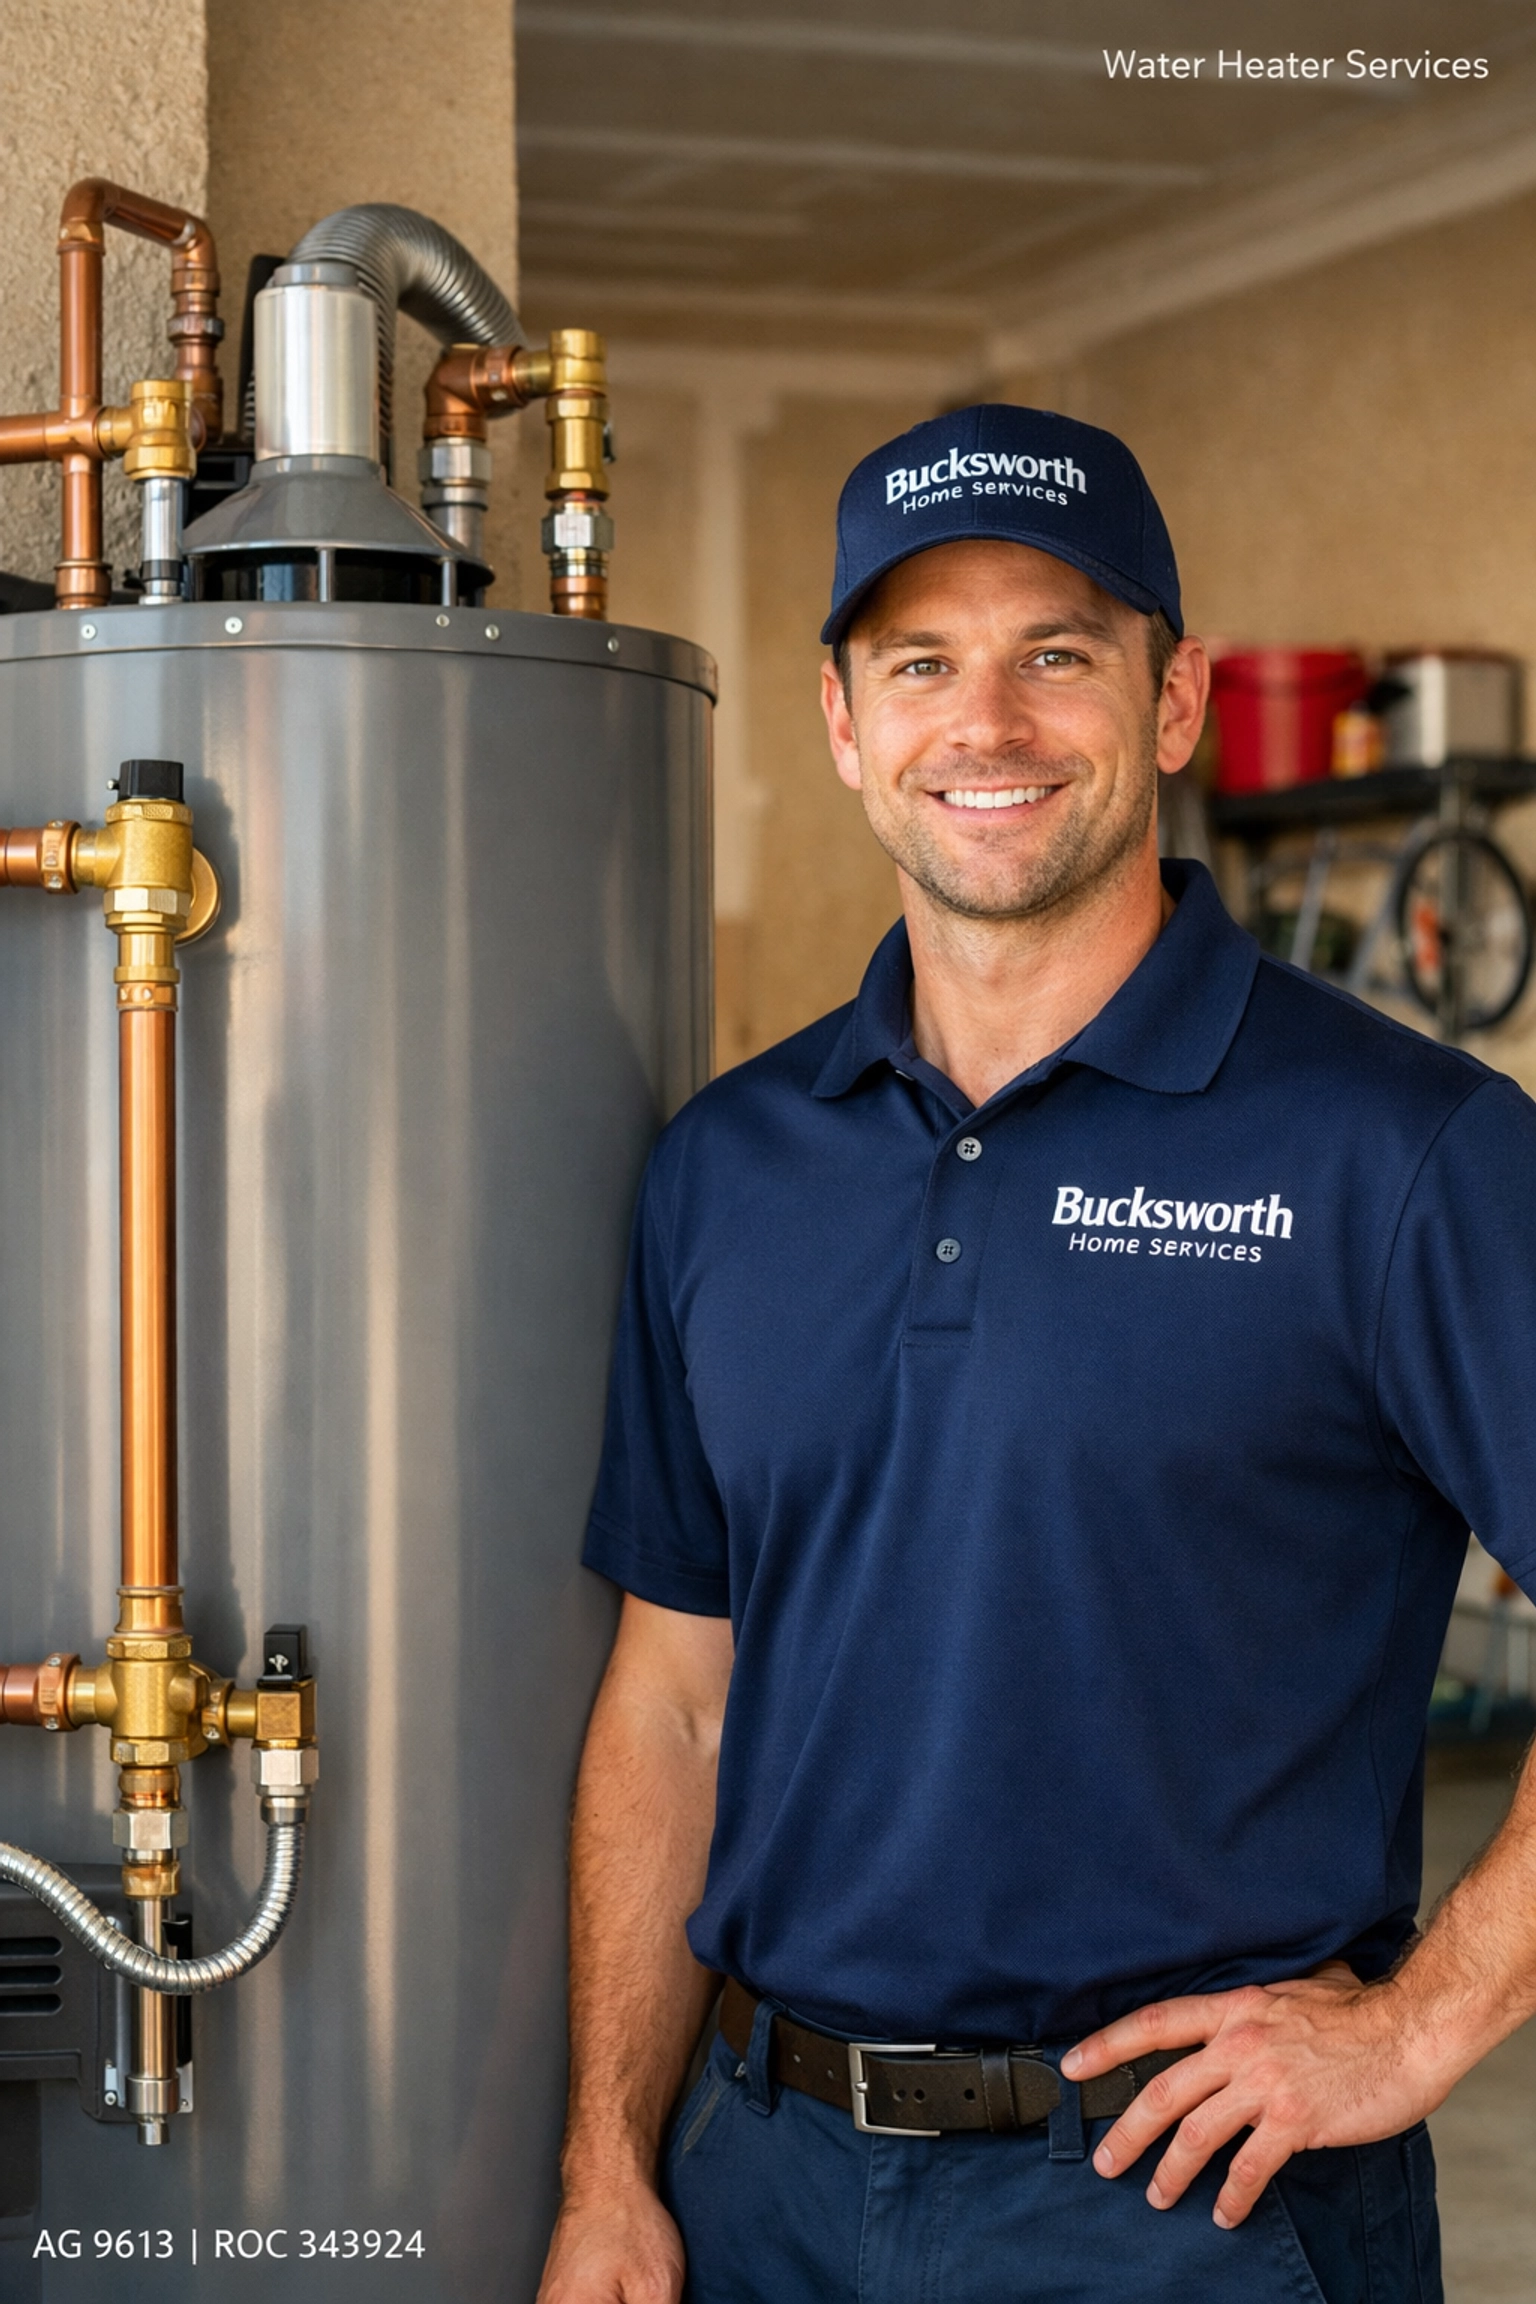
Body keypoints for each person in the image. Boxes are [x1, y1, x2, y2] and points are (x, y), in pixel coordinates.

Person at [536, 404, 1536, 2304]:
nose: (983, 724)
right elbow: (676, 1698)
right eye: (922, 662)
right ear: (844, 724)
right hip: (765, 2186)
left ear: (1177, 705)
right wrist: (610, 2161)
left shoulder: (1402, 1149)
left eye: (1056, 654)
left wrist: (1413, 2036)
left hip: (1186, 2214)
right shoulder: (729, 1169)